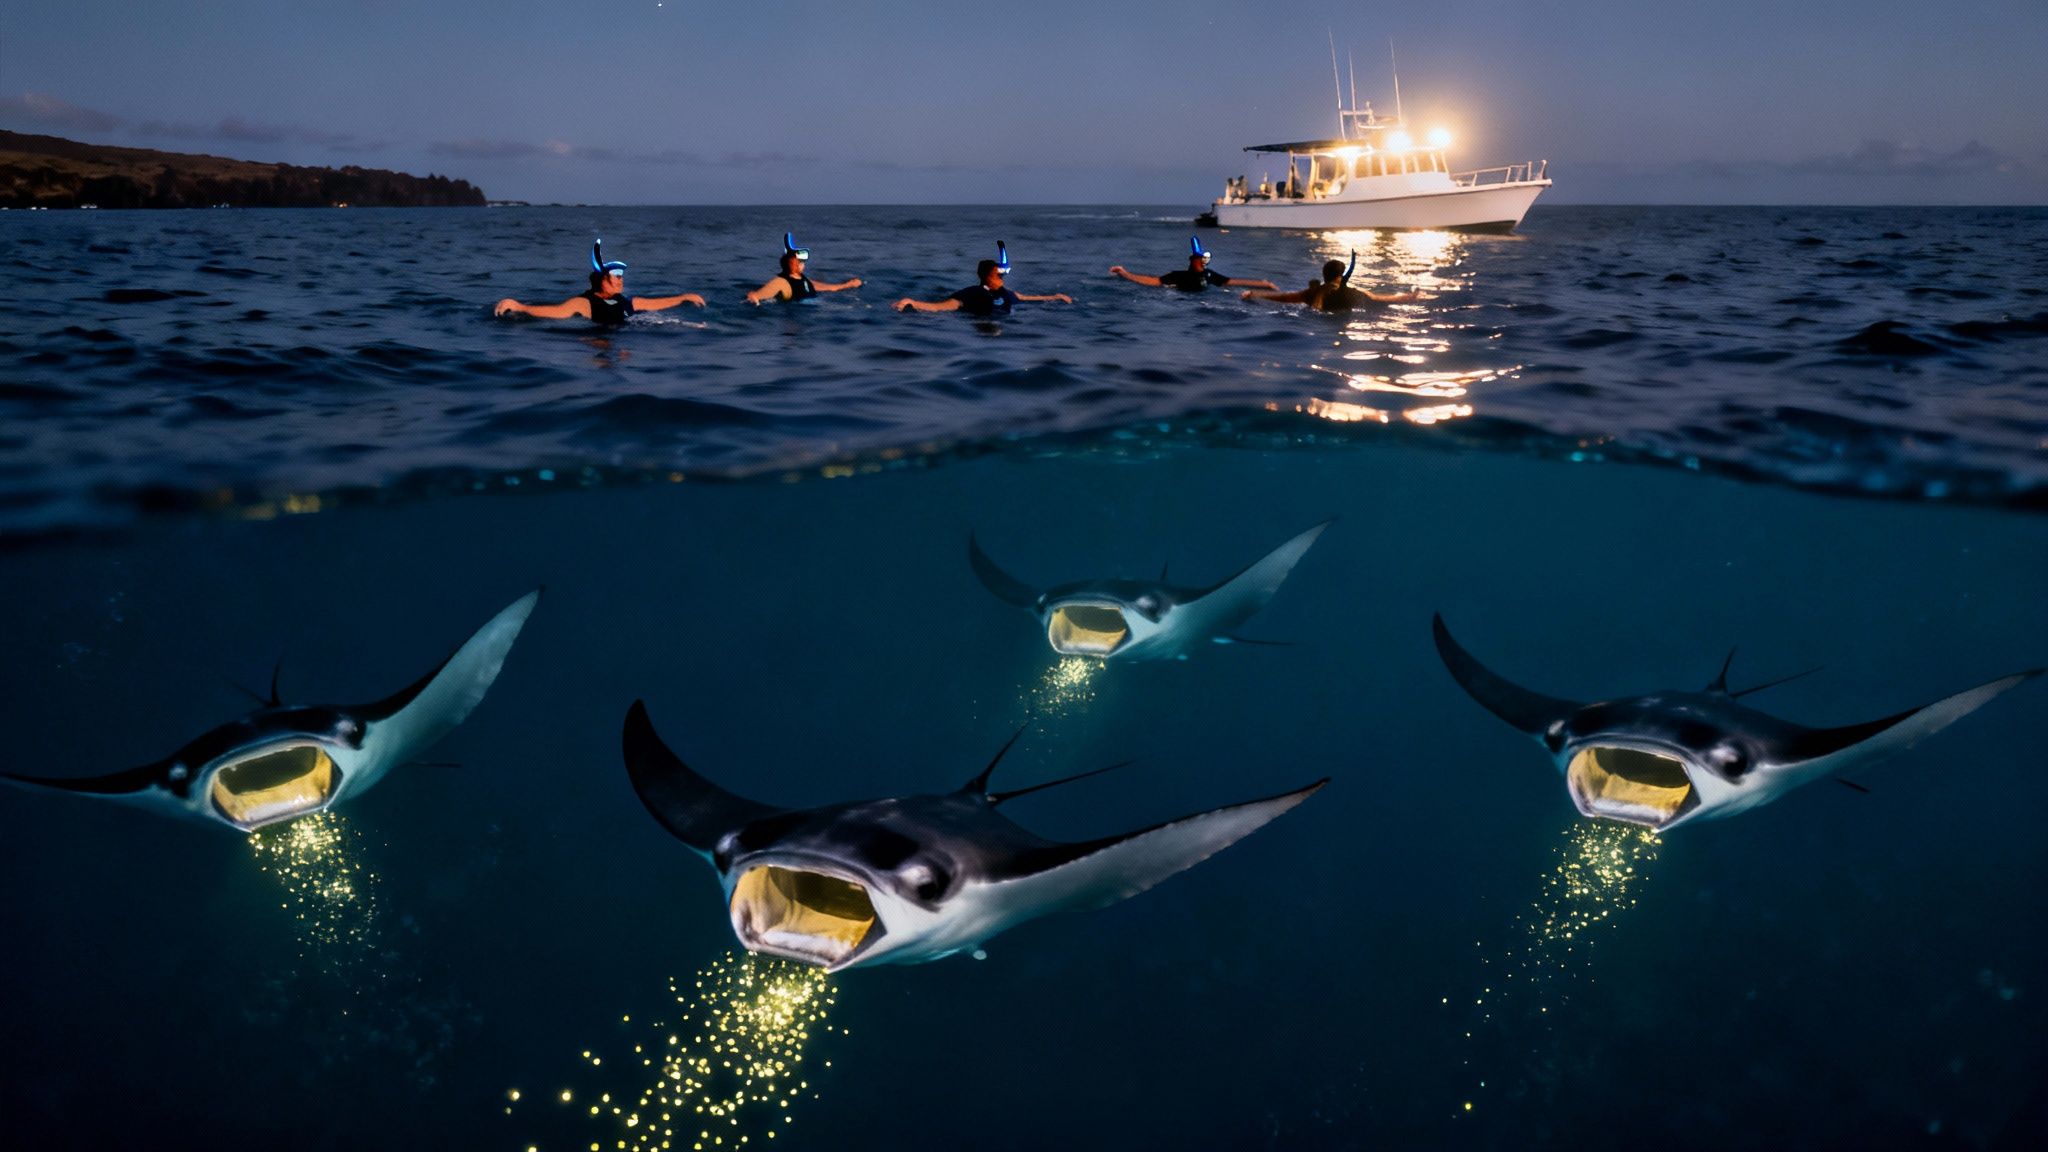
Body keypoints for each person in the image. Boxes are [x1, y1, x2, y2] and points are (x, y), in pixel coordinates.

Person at [495, 241, 705, 323]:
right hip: (599, 341)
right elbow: (556, 312)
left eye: (622, 277)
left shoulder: (624, 301)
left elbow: (653, 304)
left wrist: (684, 297)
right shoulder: (585, 303)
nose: (621, 282)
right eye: (617, 277)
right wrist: (520, 306)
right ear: (603, 281)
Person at [894, 242, 1072, 316]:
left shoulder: (1007, 293)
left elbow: (1026, 298)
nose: (1001, 278)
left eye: (1002, 275)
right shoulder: (973, 293)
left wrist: (1055, 297)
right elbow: (943, 306)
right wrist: (912, 302)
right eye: (997, 275)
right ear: (986, 276)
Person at [1242, 254, 1420, 313]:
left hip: (1315, 319)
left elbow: (1283, 298)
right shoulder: (1353, 293)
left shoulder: (1311, 293)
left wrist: (1254, 294)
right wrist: (1410, 297)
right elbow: (1381, 299)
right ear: (1340, 276)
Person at [1109, 236, 1277, 292]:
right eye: (1200, 259)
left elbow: (1233, 282)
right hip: (1182, 302)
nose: (1203, 262)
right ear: (1193, 260)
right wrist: (1125, 273)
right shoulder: (1178, 276)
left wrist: (1264, 284)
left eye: (1204, 259)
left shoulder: (1209, 274)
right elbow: (1152, 282)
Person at [745, 233, 862, 304]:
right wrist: (753, 296)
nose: (802, 263)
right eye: (799, 261)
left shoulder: (803, 279)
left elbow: (828, 288)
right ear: (791, 263)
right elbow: (760, 295)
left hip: (816, 308)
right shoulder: (781, 282)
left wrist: (848, 285)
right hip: (800, 312)